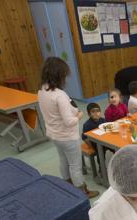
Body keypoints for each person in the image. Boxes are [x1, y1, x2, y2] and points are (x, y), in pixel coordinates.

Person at [37, 57, 98, 198]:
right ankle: (83, 191)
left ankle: (67, 185)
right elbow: (69, 121)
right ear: (59, 75)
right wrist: (79, 115)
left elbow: (54, 112)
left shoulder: (42, 91)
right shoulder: (60, 95)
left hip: (54, 134)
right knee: (75, 165)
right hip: (68, 137)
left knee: (63, 160)